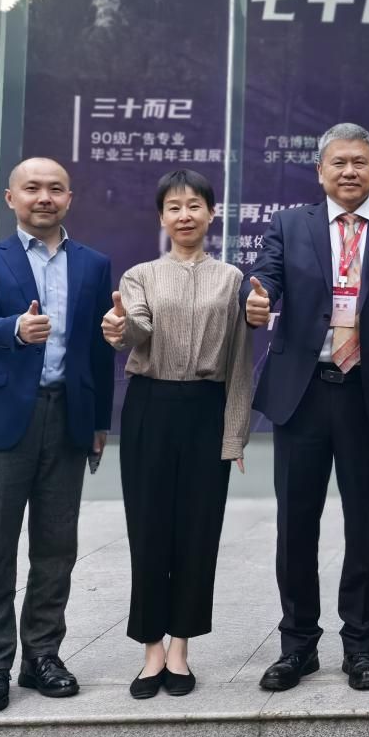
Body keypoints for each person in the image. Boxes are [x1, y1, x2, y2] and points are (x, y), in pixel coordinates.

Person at [245, 123, 369, 692]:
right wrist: (257, 299)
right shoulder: (289, 225)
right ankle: (297, 645)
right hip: (303, 395)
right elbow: (266, 279)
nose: (349, 172)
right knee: (295, 524)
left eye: (360, 163)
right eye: (339, 163)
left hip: (368, 395)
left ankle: (361, 646)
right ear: (320, 171)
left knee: (365, 525)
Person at [0, 157, 114, 713]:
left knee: (56, 547)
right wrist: (16, 329)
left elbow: (98, 349)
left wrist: (99, 422)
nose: (43, 197)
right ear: (11, 198)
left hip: (67, 418)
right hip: (3, 418)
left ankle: (42, 656)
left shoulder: (93, 264)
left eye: (55, 189)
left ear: (69, 198)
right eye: (32, 188)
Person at [100, 169, 253, 699]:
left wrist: (234, 433)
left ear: (211, 213)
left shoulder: (232, 279)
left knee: (198, 530)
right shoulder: (139, 276)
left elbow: (239, 363)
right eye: (174, 207)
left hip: (207, 409)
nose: (184, 216)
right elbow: (137, 328)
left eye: (194, 206)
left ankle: (181, 648)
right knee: (148, 529)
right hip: (151, 407)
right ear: (161, 217)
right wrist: (121, 328)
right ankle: (151, 650)